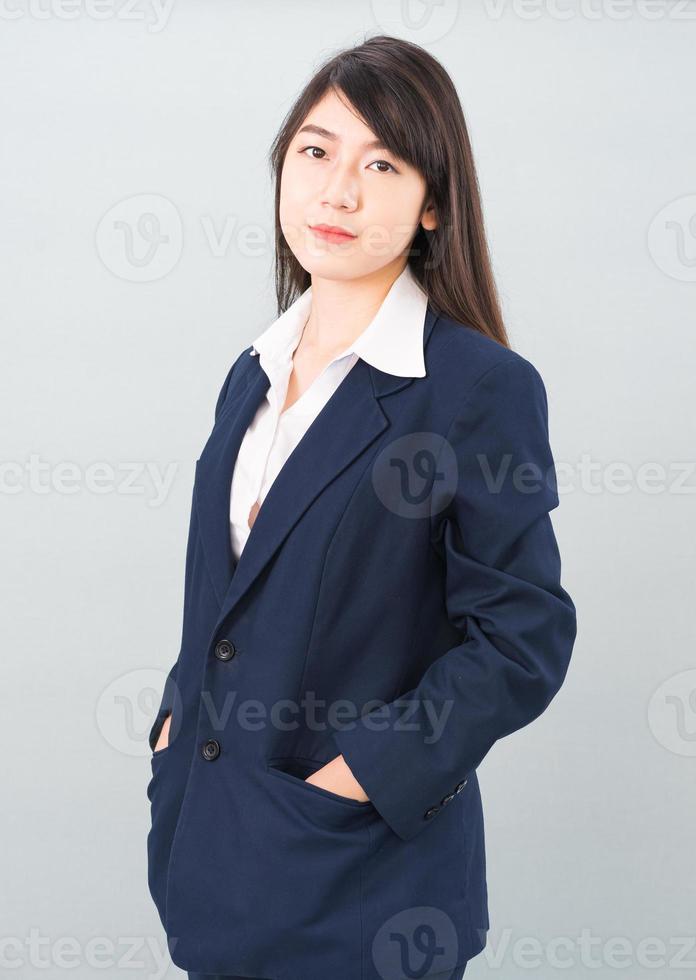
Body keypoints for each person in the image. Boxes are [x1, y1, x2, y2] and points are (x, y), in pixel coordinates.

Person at [145, 34, 577, 980]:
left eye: (381, 163)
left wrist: (363, 782)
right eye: (316, 151)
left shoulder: (474, 387)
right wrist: (177, 733)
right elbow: (230, 601)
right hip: (214, 863)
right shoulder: (250, 375)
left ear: (432, 205)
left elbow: (523, 638)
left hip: (363, 892)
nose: (338, 191)